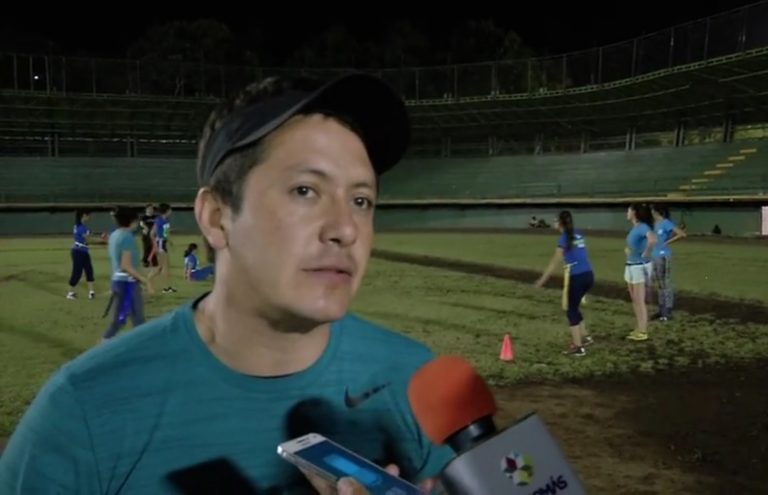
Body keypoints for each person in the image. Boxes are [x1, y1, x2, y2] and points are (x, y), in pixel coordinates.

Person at [0, 73, 452, 494]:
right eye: (305, 191)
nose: (346, 229)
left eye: (361, 200)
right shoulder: (83, 412)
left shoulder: (416, 381)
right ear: (217, 218)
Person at [534, 211, 595, 356]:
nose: (554, 223)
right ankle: (585, 337)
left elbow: (554, 262)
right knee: (574, 306)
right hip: (588, 275)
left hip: (577, 277)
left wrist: (542, 280)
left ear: (560, 223)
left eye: (555, 220)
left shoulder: (564, 238)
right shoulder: (578, 235)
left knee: (570, 310)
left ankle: (578, 347)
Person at [102, 206, 154, 341]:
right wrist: (145, 280)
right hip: (127, 284)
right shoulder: (127, 237)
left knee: (121, 321)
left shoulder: (114, 235)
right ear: (133, 221)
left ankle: (104, 344)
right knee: (136, 321)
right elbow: (126, 266)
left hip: (119, 282)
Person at [624, 203, 657, 341]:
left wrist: (646, 253)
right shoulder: (636, 227)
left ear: (634, 213)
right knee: (635, 299)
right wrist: (629, 252)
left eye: (628, 210)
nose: (626, 213)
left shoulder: (643, 226)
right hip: (632, 265)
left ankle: (643, 331)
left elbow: (652, 239)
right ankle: (639, 327)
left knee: (639, 299)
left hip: (639, 266)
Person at [650, 204, 686, 321]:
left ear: (656, 212)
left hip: (663, 256)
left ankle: (668, 311)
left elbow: (681, 234)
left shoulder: (665, 223)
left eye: (652, 211)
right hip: (655, 256)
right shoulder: (654, 224)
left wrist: (667, 242)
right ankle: (661, 310)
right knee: (660, 284)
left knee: (665, 283)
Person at [66, 210, 96, 300]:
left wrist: (89, 234)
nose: (89, 218)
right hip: (78, 252)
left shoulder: (78, 226)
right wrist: (103, 241)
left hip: (83, 251)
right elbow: (88, 240)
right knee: (77, 272)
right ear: (83, 216)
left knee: (89, 270)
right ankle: (70, 293)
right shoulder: (82, 228)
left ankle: (91, 292)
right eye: (88, 216)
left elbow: (85, 238)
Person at [150, 202, 177, 294]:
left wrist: (156, 244)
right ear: (167, 211)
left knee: (162, 266)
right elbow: (165, 234)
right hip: (162, 243)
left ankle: (166, 287)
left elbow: (152, 233)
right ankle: (165, 287)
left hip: (160, 243)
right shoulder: (164, 221)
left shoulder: (159, 219)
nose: (171, 211)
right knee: (164, 267)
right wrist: (169, 242)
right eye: (170, 209)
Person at [139, 204, 158, 268]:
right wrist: (146, 228)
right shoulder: (143, 217)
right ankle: (145, 261)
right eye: (149, 209)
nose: (151, 210)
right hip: (146, 235)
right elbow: (141, 223)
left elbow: (157, 224)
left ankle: (154, 261)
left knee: (154, 248)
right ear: (146, 209)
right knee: (146, 248)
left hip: (153, 235)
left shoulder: (155, 217)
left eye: (152, 209)